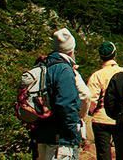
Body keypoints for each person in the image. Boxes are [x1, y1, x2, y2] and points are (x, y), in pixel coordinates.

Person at [31, 28, 84, 160]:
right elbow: (66, 104)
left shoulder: (44, 64)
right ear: (71, 49)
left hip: (43, 134)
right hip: (61, 139)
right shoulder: (63, 69)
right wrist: (74, 131)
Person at [86, 41, 123, 160]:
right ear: (115, 54)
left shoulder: (97, 75)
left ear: (101, 56)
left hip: (101, 118)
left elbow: (91, 101)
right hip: (120, 118)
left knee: (103, 154)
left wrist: (89, 113)